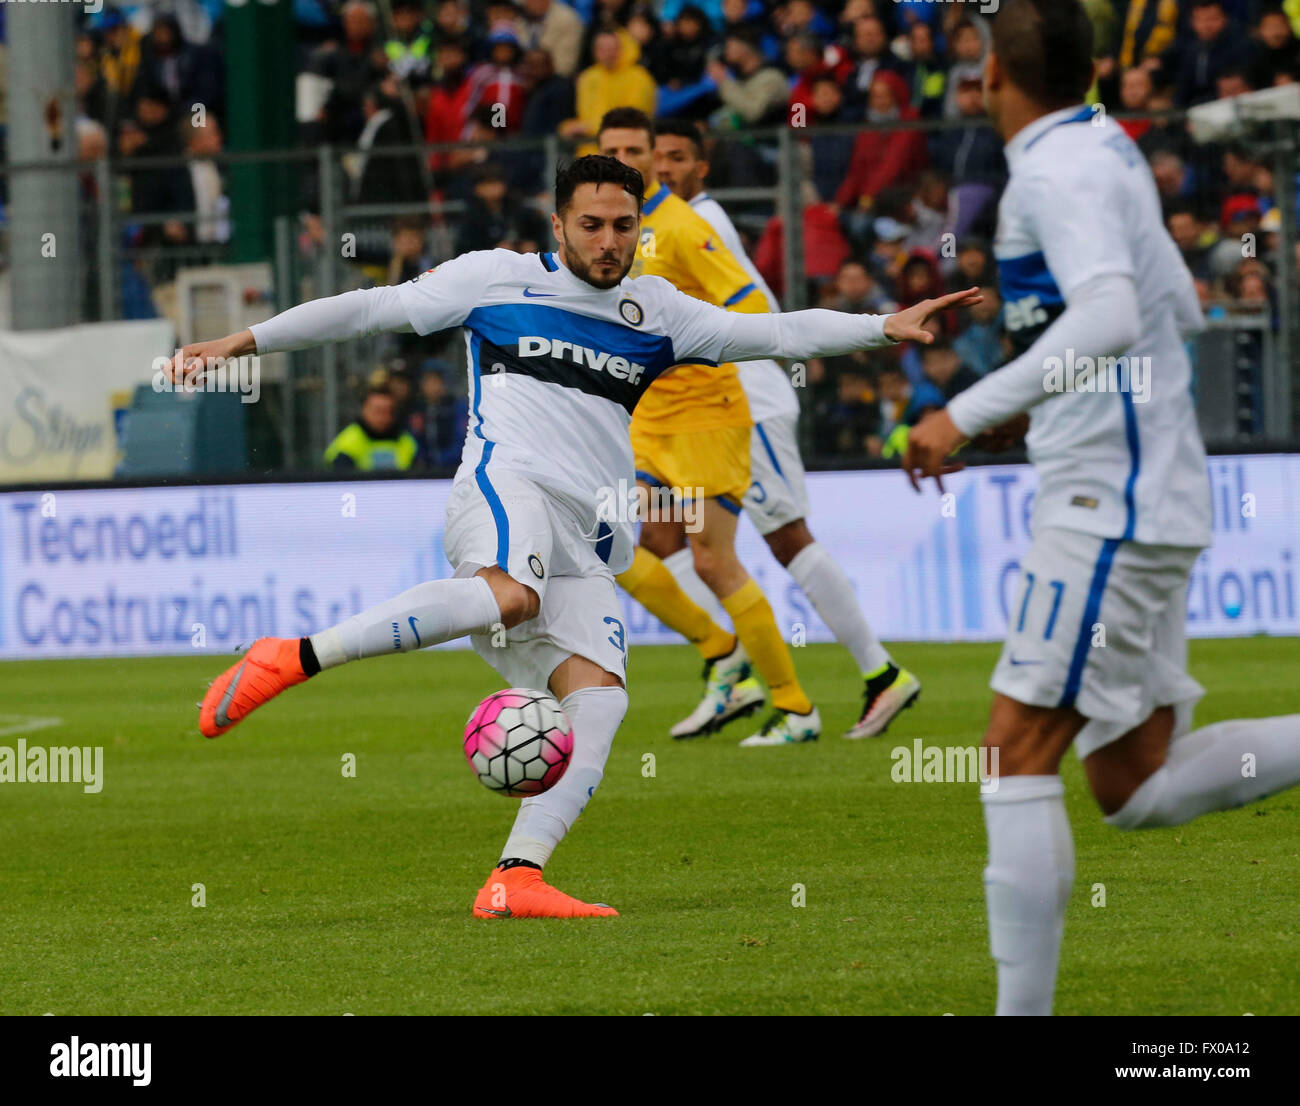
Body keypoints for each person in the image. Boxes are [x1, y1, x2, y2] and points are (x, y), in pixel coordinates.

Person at [177, 155, 976, 916]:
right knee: (511, 595)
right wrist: (242, 342)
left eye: (623, 225)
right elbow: (367, 308)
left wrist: (884, 325)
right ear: (557, 224)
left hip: (591, 532)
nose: (608, 241)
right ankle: (293, 655)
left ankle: (516, 877)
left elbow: (777, 334)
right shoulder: (494, 278)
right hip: (505, 485)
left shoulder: (657, 311)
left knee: (600, 701)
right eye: (591, 224)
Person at [904, 0, 1300, 1016]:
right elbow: (1176, 302)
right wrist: (1058, 402)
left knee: (1013, 747)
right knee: (1135, 784)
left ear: (994, 74)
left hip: (1107, 499)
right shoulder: (1105, 145)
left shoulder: (1054, 168)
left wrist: (965, 409)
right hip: (1136, 481)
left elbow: (1119, 313)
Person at [653, 117, 924, 739]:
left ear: (701, 168)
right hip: (701, 411)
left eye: (676, 157)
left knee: (785, 537)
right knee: (668, 542)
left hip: (749, 398)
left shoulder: (702, 222)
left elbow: (753, 312)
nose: (663, 168)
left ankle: (879, 674)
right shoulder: (660, 227)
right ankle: (736, 670)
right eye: (655, 157)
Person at [599, 108, 815, 747]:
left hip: (706, 418)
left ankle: (795, 707)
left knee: (714, 561)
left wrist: (700, 345)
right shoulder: (612, 227)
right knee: (610, 546)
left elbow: (748, 300)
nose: (624, 158)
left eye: (634, 148)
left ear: (654, 157)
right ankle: (722, 652)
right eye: (610, 148)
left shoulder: (682, 227)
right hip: (648, 420)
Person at [323, 385, 419, 471]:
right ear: (364, 410)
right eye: (377, 411)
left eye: (388, 411)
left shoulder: (406, 441)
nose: (383, 417)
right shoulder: (348, 442)